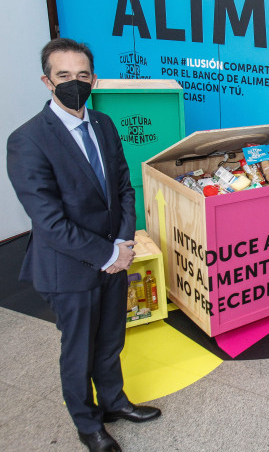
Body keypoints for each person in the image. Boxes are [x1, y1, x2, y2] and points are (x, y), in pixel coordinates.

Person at [6, 38, 161, 452]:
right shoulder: (28, 140)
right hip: (69, 268)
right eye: (63, 76)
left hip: (116, 256)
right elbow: (49, 221)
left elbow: (125, 189)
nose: (74, 83)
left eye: (81, 75)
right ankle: (87, 423)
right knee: (78, 350)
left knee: (111, 339)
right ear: (46, 81)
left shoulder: (104, 124)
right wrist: (109, 254)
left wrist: (124, 243)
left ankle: (113, 402)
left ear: (94, 78)